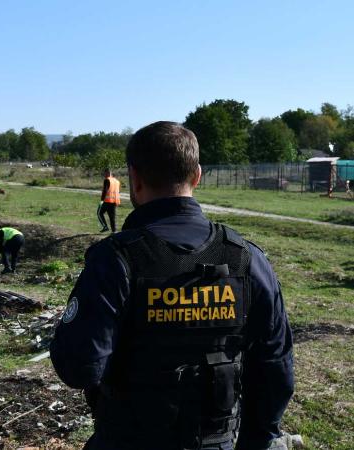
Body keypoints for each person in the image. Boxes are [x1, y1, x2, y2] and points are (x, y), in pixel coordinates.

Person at [50, 121, 294, 450]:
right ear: (197, 176)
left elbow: (79, 368)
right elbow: (276, 369)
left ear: (134, 180)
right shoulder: (247, 260)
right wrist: (256, 439)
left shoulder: (114, 260)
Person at [97, 168, 120, 232]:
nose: (104, 175)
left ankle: (105, 227)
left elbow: (105, 191)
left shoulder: (107, 180)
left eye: (105, 173)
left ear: (108, 173)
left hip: (107, 201)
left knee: (99, 213)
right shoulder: (116, 181)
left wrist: (101, 201)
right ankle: (114, 231)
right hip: (115, 201)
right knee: (112, 217)